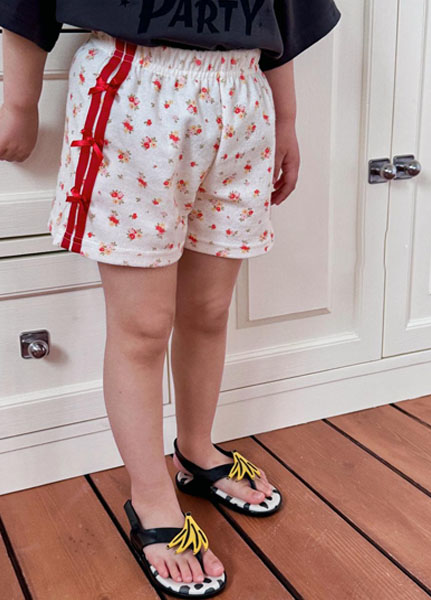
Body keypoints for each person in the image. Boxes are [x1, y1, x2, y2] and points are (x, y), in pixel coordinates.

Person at [0, 2, 341, 597]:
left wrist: (286, 120)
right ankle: (150, 495)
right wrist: (18, 103)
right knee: (143, 327)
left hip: (244, 92)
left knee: (209, 311)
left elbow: (288, 14)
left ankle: (196, 451)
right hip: (133, 89)